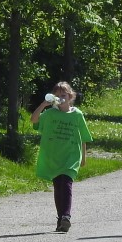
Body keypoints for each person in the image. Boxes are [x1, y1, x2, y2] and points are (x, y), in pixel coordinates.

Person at [32, 82, 93, 233]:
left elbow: (83, 137)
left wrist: (83, 157)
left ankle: (66, 216)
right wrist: (43, 105)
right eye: (57, 96)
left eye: (63, 95)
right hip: (54, 156)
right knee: (58, 186)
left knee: (66, 183)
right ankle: (61, 219)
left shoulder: (77, 115)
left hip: (71, 157)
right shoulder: (50, 114)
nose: (61, 98)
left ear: (70, 96)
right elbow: (34, 120)